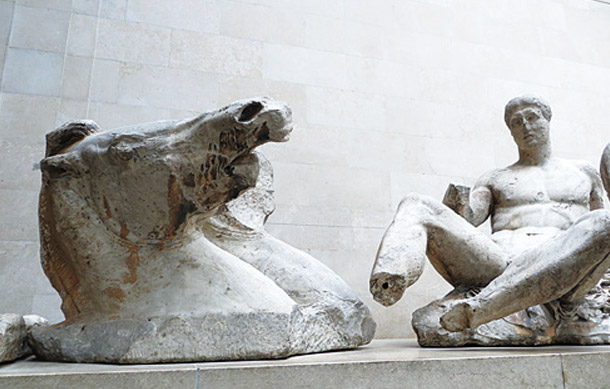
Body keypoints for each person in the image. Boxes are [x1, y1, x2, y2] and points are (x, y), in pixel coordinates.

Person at [369, 95, 610, 332]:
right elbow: (468, 220)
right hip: (498, 262)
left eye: (532, 117)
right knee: (416, 203)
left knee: (603, 221)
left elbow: (599, 233)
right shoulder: (496, 178)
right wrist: (457, 201)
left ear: (547, 120)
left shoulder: (583, 172)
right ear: (511, 132)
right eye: (516, 122)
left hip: (560, 269)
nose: (525, 125)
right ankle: (390, 279)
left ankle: (481, 309)